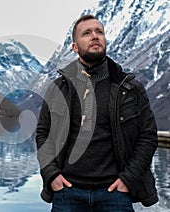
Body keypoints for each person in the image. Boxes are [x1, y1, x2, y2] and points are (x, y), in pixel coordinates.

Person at [36, 14, 158, 212]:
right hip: (67, 192)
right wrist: (51, 174)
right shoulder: (58, 89)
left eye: (99, 32)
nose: (95, 36)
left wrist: (128, 179)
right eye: (86, 33)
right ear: (75, 47)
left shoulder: (130, 88)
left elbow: (148, 136)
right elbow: (43, 134)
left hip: (115, 193)